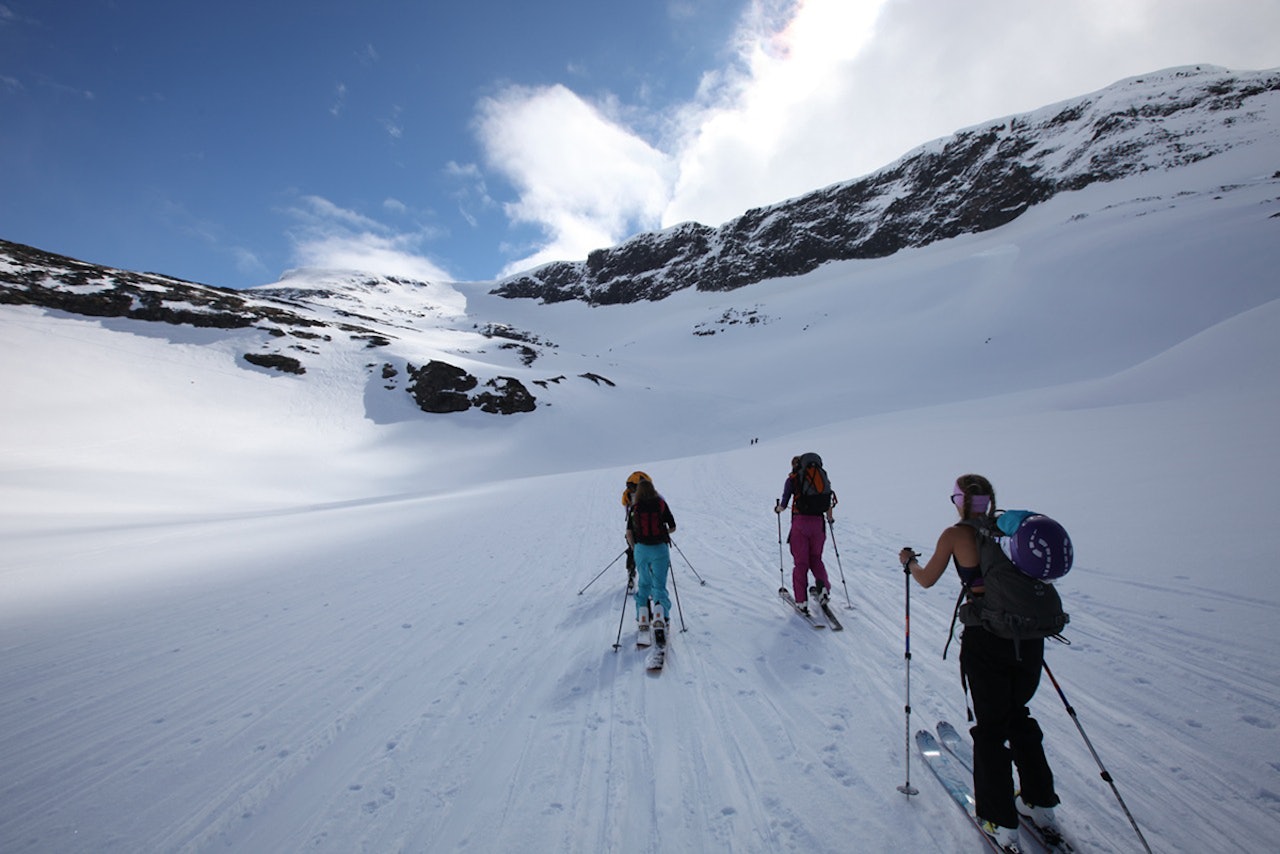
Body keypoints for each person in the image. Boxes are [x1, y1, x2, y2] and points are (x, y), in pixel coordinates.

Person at [899, 474, 1060, 854]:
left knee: (990, 729)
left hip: (987, 639)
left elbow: (926, 580)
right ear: (988, 500)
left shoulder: (956, 535)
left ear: (960, 500)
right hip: (1028, 637)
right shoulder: (1011, 532)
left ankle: (1000, 822)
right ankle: (1040, 803)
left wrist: (909, 563)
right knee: (1018, 714)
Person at [774, 454, 835, 616]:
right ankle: (823, 590)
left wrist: (778, 509)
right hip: (819, 524)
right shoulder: (820, 478)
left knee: (801, 563)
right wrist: (830, 519)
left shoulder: (793, 479)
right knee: (816, 558)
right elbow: (828, 502)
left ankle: (801, 601)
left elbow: (784, 503)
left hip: (800, 524)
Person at [626, 478, 676, 645]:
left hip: (641, 549)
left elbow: (629, 533)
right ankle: (661, 617)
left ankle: (643, 617)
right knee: (659, 585)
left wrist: (635, 549)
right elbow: (673, 526)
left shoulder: (635, 507)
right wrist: (664, 532)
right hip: (660, 548)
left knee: (644, 583)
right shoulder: (661, 504)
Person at [621, 471, 651, 590]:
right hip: (649, 530)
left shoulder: (627, 496)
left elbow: (626, 510)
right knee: (651, 551)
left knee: (632, 551)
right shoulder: (652, 495)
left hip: (633, 530)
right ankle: (651, 575)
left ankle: (631, 575)